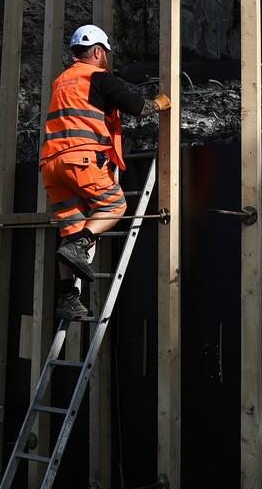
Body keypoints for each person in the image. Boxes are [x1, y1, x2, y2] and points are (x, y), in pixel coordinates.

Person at [40, 25, 169, 320]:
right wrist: (160, 103)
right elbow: (137, 106)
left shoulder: (61, 81)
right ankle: (82, 243)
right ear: (98, 51)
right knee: (114, 206)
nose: (107, 59)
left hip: (51, 166)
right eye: (106, 54)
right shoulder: (98, 76)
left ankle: (67, 298)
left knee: (70, 230)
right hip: (81, 161)